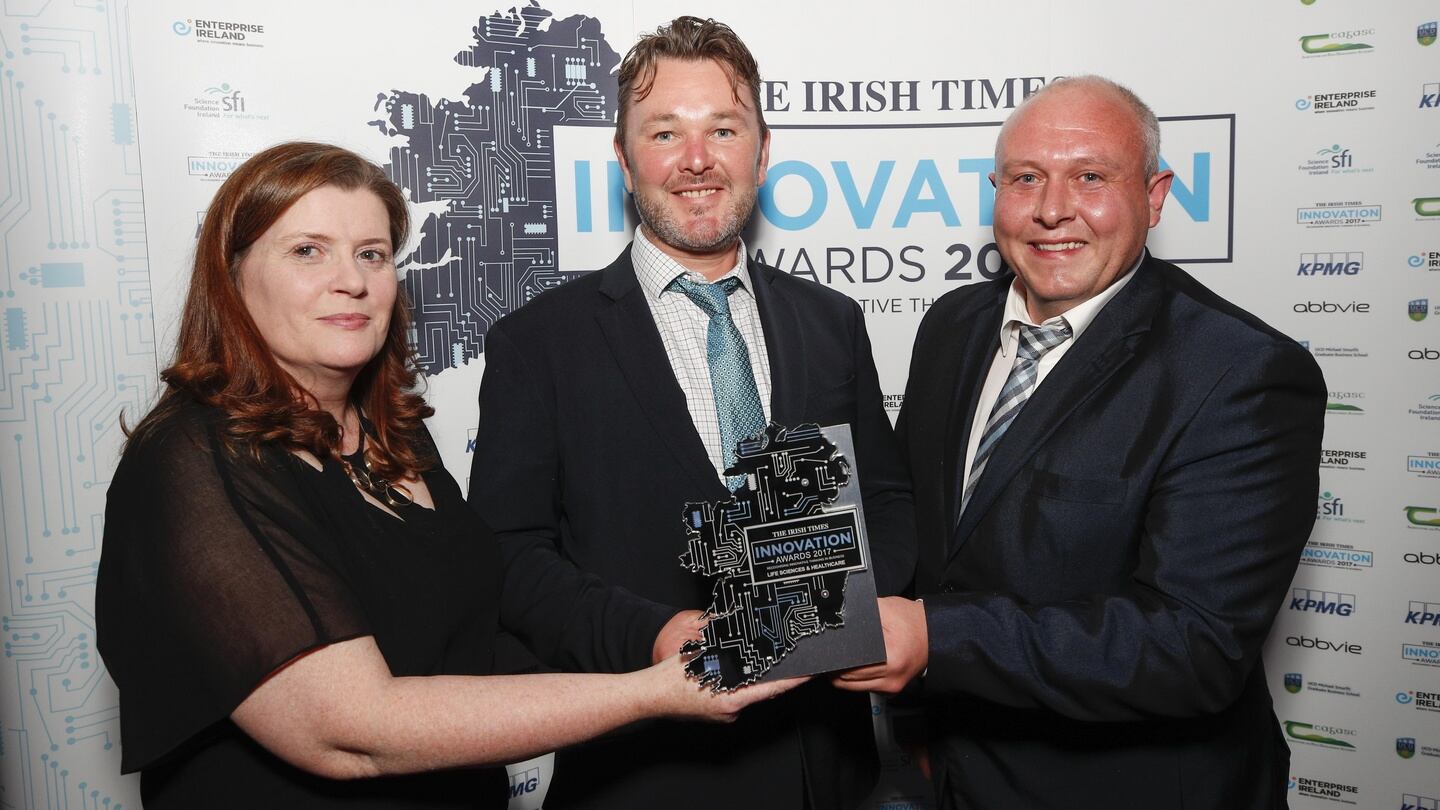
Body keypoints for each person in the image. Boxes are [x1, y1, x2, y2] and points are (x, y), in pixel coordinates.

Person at [94, 142, 798, 810]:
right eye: (308, 251)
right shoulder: (191, 460)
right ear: (233, 274)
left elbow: (475, 642)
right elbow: (352, 730)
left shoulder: (393, 438)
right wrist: (657, 691)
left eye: (372, 253)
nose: (352, 279)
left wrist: (665, 640)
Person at [834, 76, 1325, 808]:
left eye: (1090, 177)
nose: (1052, 208)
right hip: (956, 774)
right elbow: (932, 538)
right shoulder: (953, 325)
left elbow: (1194, 645)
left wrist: (937, 636)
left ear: (1155, 196)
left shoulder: (1242, 372)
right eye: (1025, 178)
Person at [469, 16, 915, 810]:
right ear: (623, 158)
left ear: (761, 149)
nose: (698, 159)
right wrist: (652, 635)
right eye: (665, 131)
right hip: (642, 773)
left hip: (823, 766)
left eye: (723, 129)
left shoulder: (831, 322)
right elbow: (507, 555)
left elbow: (882, 500)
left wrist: (862, 609)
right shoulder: (539, 343)